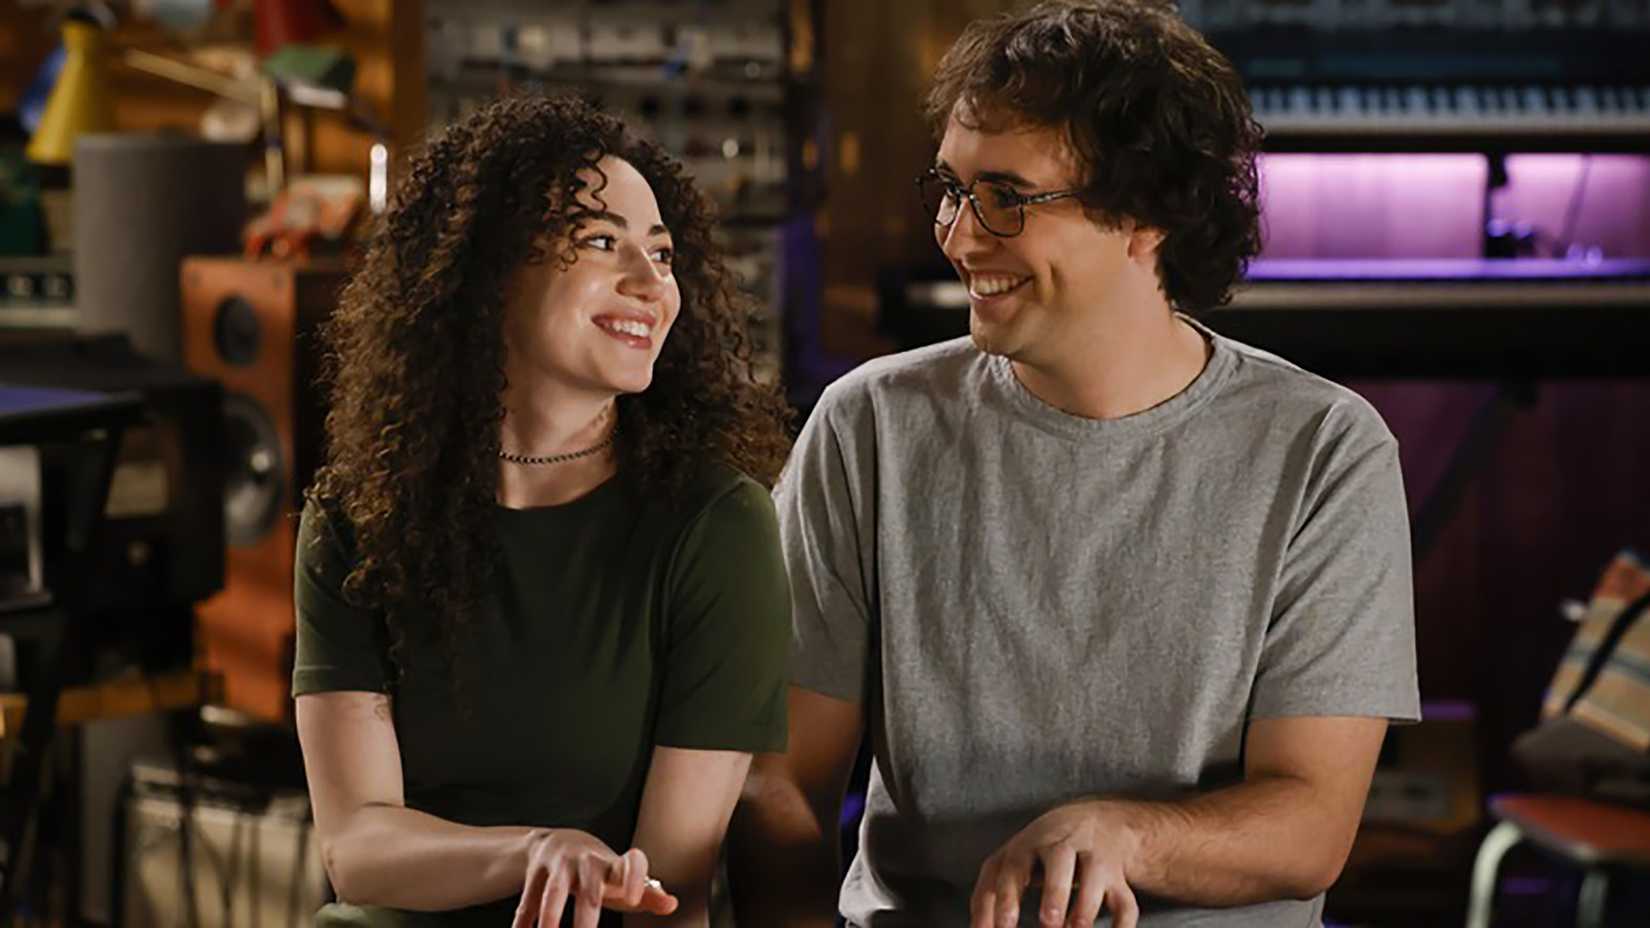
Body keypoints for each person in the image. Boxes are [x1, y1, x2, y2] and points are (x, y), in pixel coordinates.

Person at [728, 2, 1419, 926]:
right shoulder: (869, 428)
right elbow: (778, 786)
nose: (959, 235)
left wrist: (1122, 837)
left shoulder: (1328, 452)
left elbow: (1311, 824)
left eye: (1007, 197)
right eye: (952, 187)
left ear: (1146, 218)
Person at [292, 94, 794, 928]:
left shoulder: (715, 525)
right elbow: (357, 850)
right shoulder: (360, 512)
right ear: (488, 272)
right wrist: (532, 850)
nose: (650, 283)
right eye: (602, 241)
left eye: (662, 254)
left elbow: (670, 900)